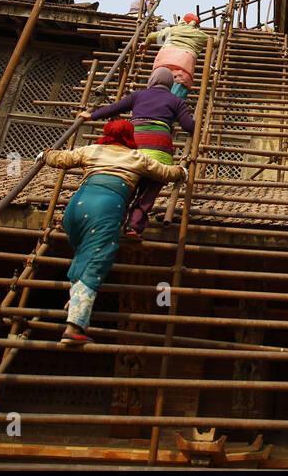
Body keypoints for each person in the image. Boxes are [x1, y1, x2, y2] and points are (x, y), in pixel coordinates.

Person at [40, 118, 185, 346]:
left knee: (83, 256)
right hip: (105, 208)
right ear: (130, 136)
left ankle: (76, 299)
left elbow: (61, 159)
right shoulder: (136, 157)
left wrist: (46, 154)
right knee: (97, 260)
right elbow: (164, 172)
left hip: (76, 207)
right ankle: (75, 327)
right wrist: (181, 171)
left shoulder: (93, 149)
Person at [80, 66, 194, 242]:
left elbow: (114, 108)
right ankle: (134, 227)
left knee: (128, 189)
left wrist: (91, 115)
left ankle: (114, 223)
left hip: (136, 150)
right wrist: (197, 126)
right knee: (148, 193)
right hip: (160, 152)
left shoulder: (139, 95)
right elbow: (188, 125)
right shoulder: (176, 100)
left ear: (152, 80)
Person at [143, 13, 210, 99]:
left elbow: (151, 36)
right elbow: (214, 41)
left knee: (155, 93)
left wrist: (145, 44)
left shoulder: (172, 30)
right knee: (174, 99)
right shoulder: (199, 34)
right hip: (183, 64)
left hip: (163, 62)